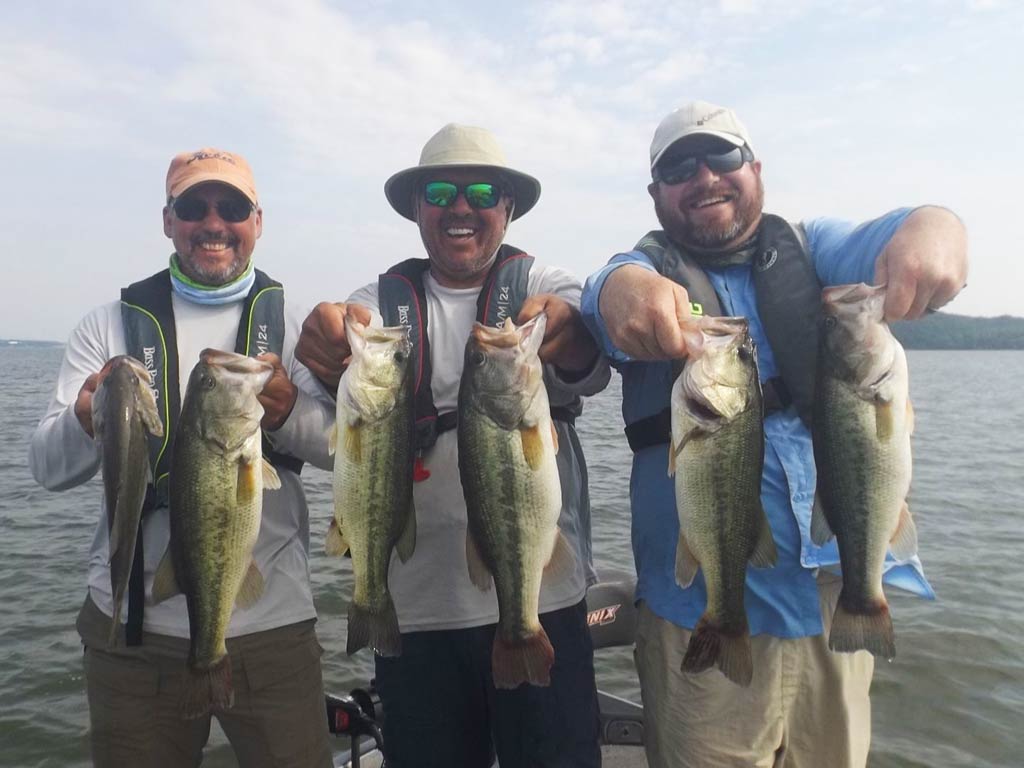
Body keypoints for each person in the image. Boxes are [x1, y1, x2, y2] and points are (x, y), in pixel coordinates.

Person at [580, 101, 969, 768]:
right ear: (655, 194)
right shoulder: (648, 268)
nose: (704, 176)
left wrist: (937, 233)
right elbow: (604, 293)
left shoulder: (813, 248)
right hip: (694, 617)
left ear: (755, 169)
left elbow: (917, 231)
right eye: (678, 167)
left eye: (722, 157)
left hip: (829, 608)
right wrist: (622, 291)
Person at [296, 123, 609, 768]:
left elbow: (594, 367)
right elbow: (323, 421)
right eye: (440, 191)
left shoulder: (543, 285)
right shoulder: (378, 305)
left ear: (507, 208)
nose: (461, 206)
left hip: (543, 601)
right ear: (418, 209)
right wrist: (323, 354)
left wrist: (572, 334)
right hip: (416, 615)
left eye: (482, 192)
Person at [29, 148, 336, 768]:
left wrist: (285, 413)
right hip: (133, 636)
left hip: (273, 629)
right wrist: (86, 421)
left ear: (258, 220)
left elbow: (341, 451)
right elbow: (47, 468)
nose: (213, 222)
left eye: (233, 207)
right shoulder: (108, 325)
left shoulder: (297, 322)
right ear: (168, 220)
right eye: (193, 206)